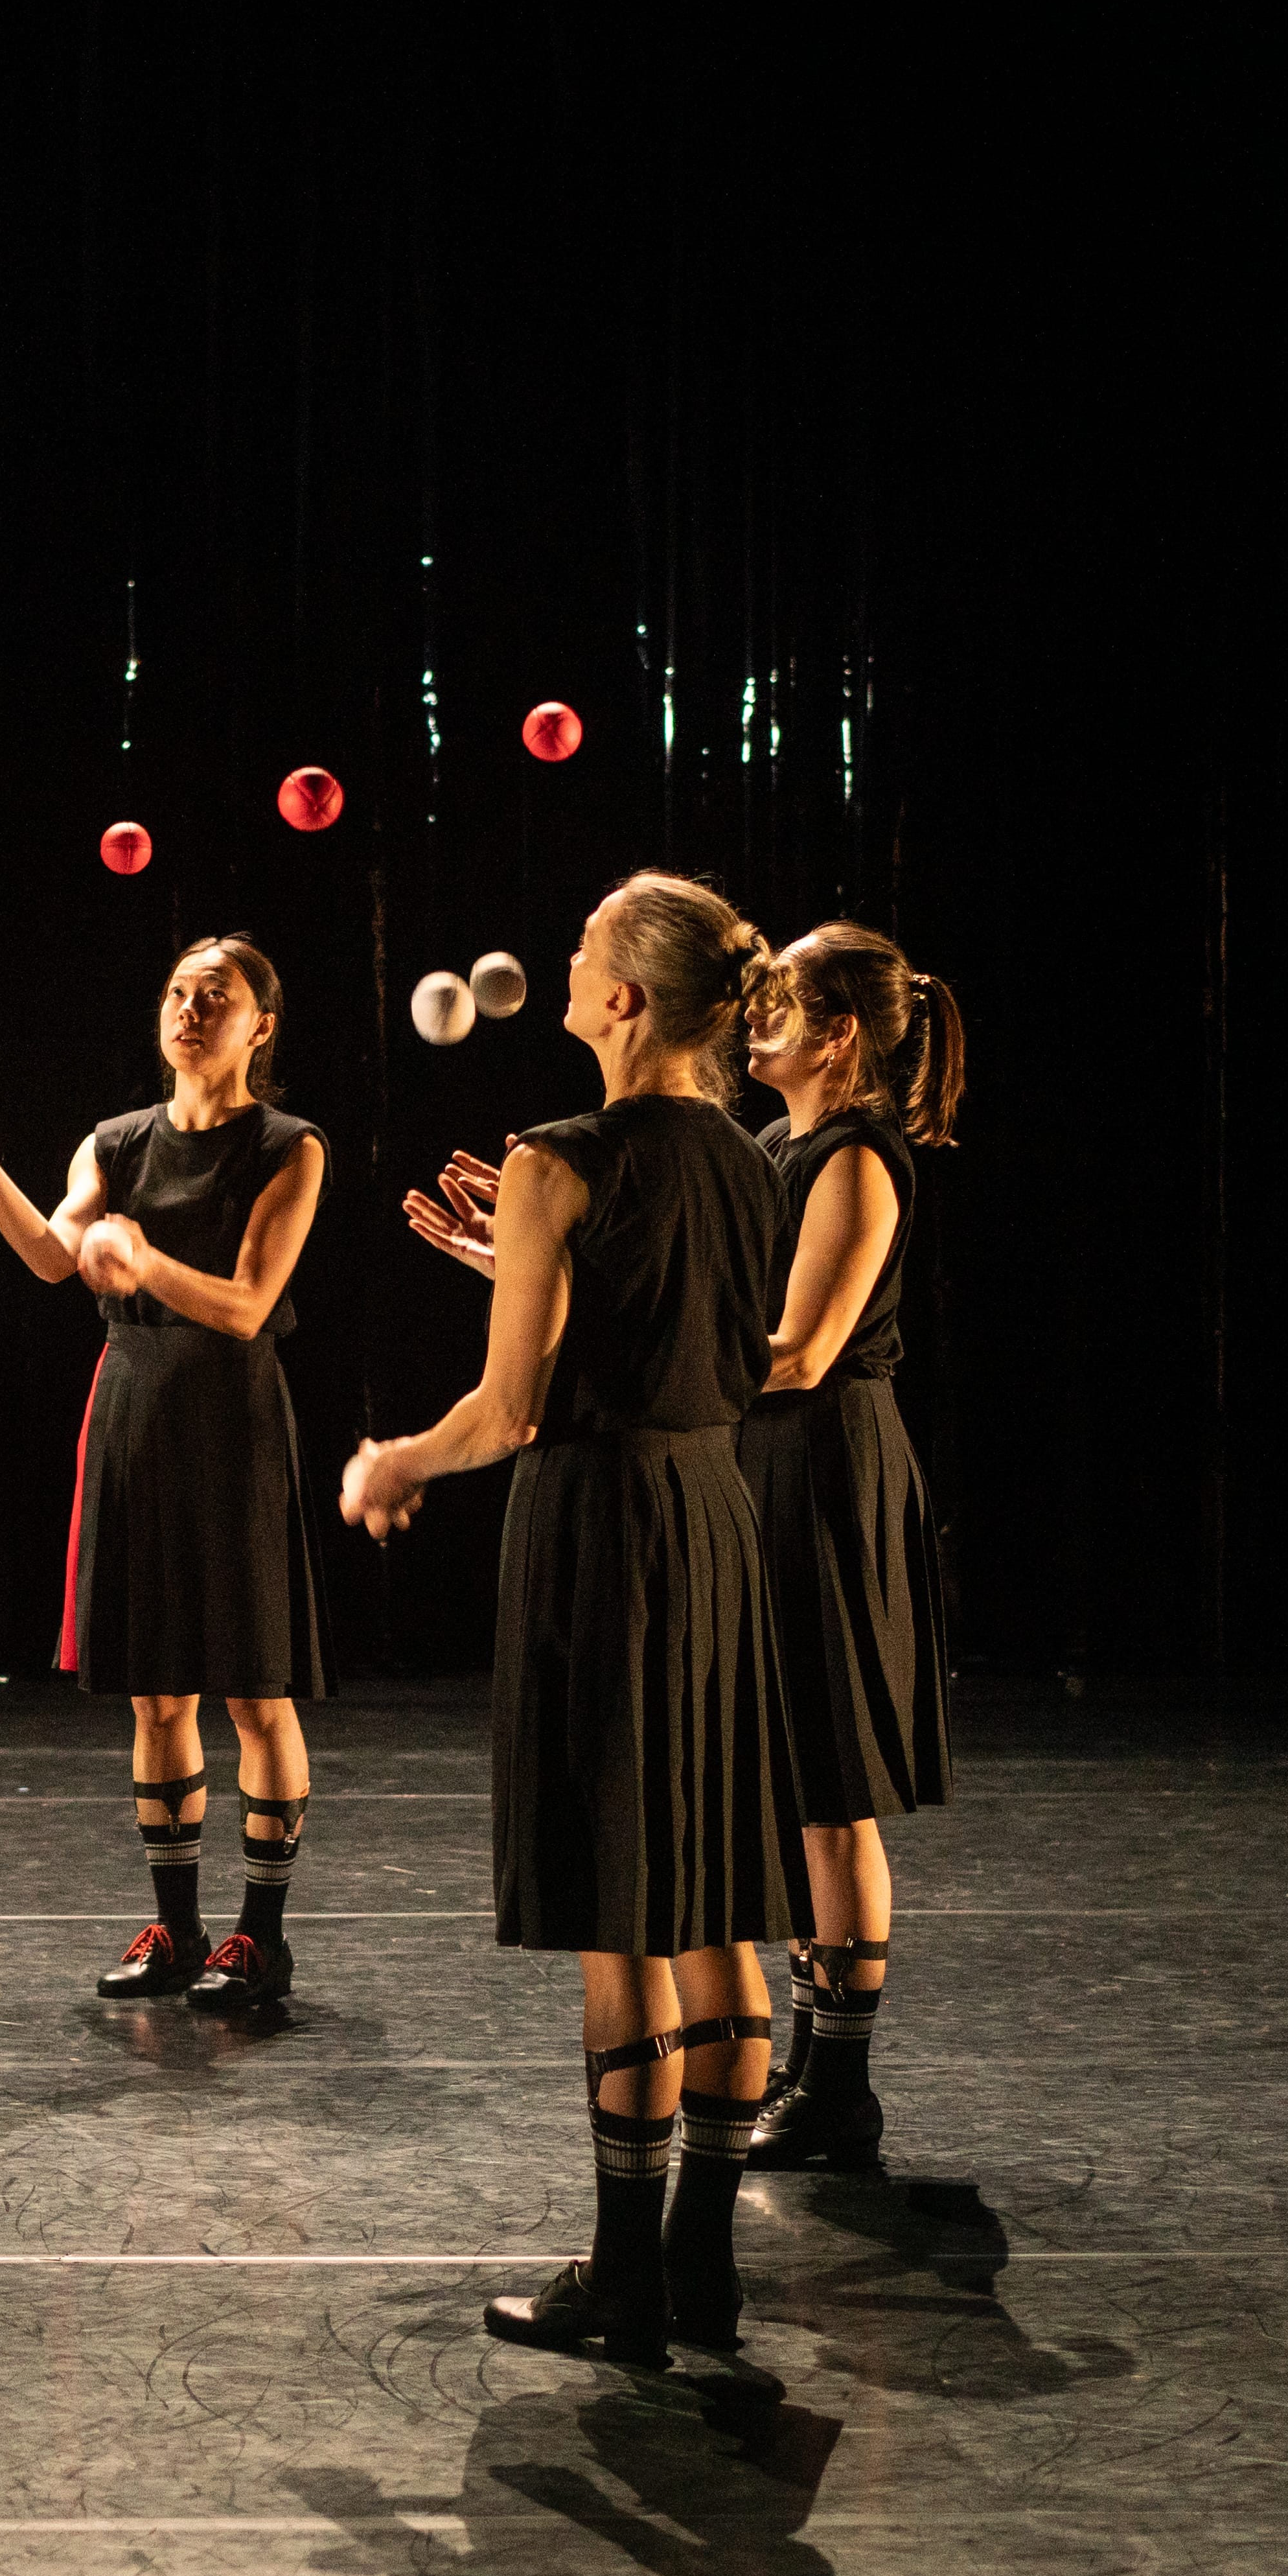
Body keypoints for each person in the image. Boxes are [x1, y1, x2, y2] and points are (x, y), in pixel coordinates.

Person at [358, 872, 801, 2363]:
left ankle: (623, 2280)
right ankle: (702, 2266)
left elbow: (509, 1410)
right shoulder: (750, 1159)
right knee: (715, 1901)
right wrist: (527, 1268)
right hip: (712, 1519)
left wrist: (393, 1460)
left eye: (587, 946)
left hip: (606, 1531)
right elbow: (695, 1335)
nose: (564, 956)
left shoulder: (560, 1157)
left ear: (621, 999)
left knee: (625, 1913)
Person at [0, 937, 328, 2011]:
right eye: (177, 992)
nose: (190, 1010)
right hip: (133, 1406)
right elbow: (54, 1254)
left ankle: (260, 1937)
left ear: (261, 1025)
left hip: (232, 1413)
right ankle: (178, 1929)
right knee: (156, 1690)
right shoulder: (117, 1141)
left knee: (254, 1690)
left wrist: (145, 1261)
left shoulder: (288, 1146)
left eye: (215, 997)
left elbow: (247, 1305)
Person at [739, 924, 967, 2172]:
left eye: (778, 999)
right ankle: (810, 2063)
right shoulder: (776, 1148)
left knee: (831, 1789)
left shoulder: (857, 1158)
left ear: (836, 1035)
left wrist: (662, 1352)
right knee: (790, 1787)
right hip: (767, 1463)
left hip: (825, 1465)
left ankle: (840, 2086)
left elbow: (801, 1352)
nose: (753, 1015)